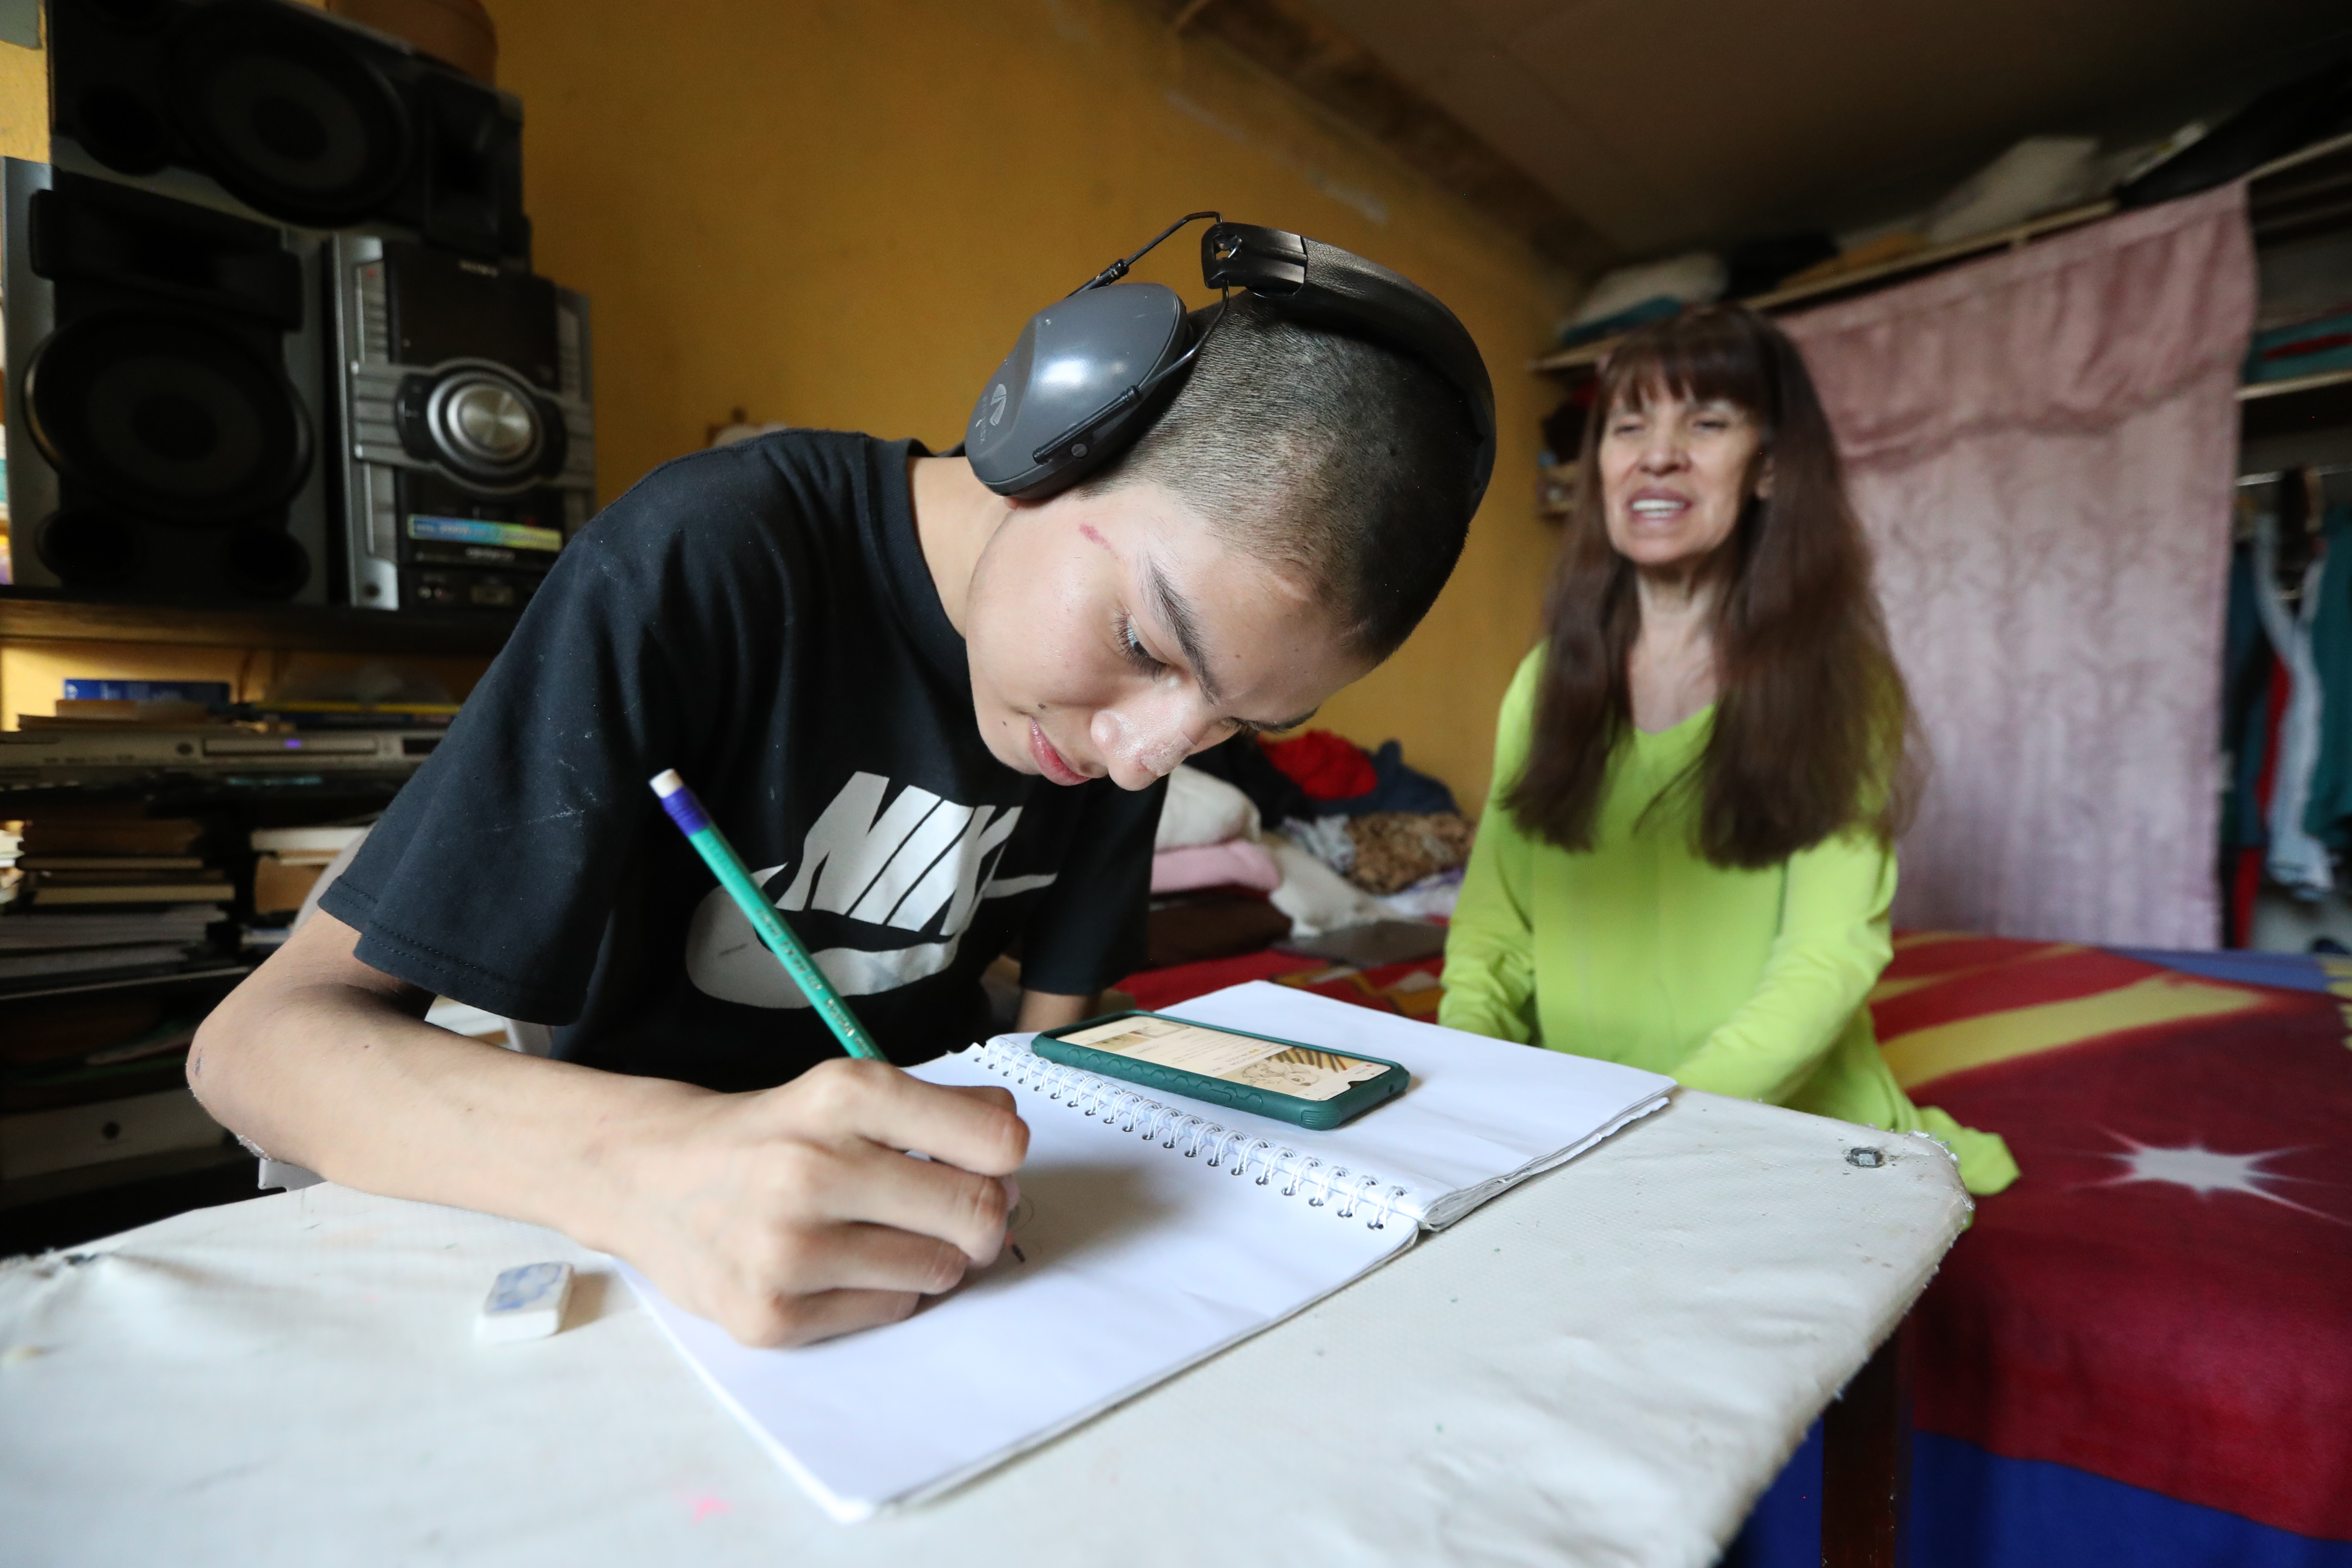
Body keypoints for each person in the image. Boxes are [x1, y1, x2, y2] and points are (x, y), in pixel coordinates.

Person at [190, 224, 1492, 1346]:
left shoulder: (1126, 720)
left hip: (926, 1248)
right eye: (1148, 646)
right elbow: (258, 1046)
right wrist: (658, 1169)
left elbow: (1053, 1030)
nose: (1148, 754)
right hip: (660, 1249)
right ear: (1049, 439)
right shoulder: (710, 558)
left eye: (1235, 722)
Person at [1439, 305, 2016, 1196]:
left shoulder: (1840, 689)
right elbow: (1494, 931)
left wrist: (1655, 1129)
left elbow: (1826, 961)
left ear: (1771, 468)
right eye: (1629, 426)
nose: (1656, 454)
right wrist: (1473, 1088)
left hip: (1778, 1133)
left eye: (1706, 423)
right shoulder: (1545, 683)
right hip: (1582, 1125)